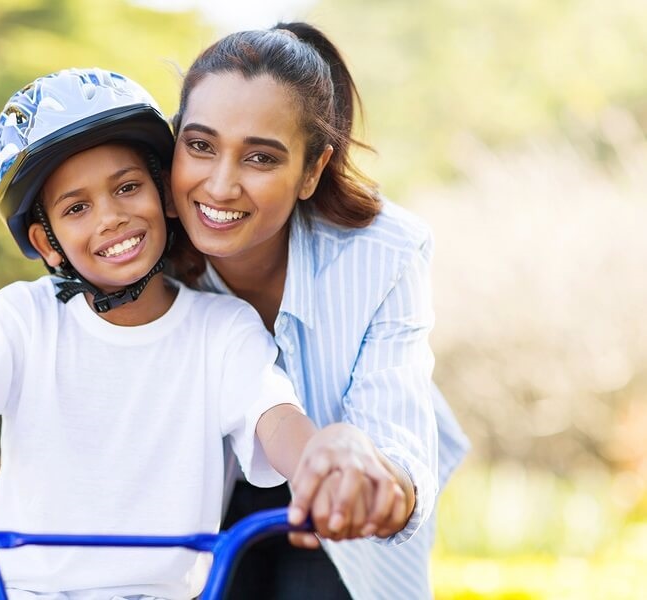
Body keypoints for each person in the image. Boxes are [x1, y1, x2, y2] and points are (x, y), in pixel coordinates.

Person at [0, 68, 403, 600]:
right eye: (76, 208)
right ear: (46, 243)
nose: (111, 216)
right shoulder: (21, 320)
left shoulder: (222, 332)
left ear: (165, 195)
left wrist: (322, 465)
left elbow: (276, 419)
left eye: (127, 187)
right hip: (21, 589)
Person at [166, 23, 470, 600]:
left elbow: (397, 432)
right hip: (211, 496)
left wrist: (367, 468)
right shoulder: (143, 247)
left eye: (260, 158)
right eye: (200, 145)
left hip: (341, 508)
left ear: (311, 171)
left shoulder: (386, 252)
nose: (221, 184)